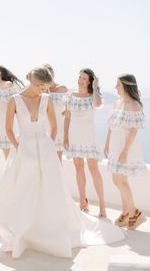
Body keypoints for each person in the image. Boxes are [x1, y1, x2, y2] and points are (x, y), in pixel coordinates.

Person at [0, 66, 124, 259]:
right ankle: (24, 230)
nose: (44, 91)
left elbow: (53, 126)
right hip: (23, 149)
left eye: (46, 87)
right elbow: (8, 129)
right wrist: (18, 146)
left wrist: (48, 144)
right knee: (24, 189)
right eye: (42, 87)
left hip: (45, 150)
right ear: (34, 83)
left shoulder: (47, 99)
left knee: (50, 189)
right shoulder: (15, 100)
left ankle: (48, 227)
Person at [104, 73, 147, 229]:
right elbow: (111, 126)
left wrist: (125, 151)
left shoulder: (135, 105)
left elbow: (133, 131)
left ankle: (134, 212)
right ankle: (129, 211)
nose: (115, 87)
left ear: (126, 86)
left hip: (126, 147)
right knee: (118, 180)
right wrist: (107, 143)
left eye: (118, 85)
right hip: (115, 144)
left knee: (120, 180)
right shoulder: (117, 103)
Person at [63, 68, 106, 217]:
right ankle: (83, 202)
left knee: (94, 168)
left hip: (89, 136)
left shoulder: (92, 97)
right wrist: (65, 137)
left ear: (89, 81)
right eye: (79, 77)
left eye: (83, 78)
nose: (80, 80)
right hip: (74, 135)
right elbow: (67, 117)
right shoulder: (70, 96)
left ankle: (102, 205)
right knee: (78, 167)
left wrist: (95, 88)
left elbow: (98, 103)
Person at [0, 65, 24, 203]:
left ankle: (11, 188)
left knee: (9, 158)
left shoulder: (8, 85)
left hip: (5, 126)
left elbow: (16, 105)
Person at [43, 64, 68, 162]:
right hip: (44, 125)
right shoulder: (41, 90)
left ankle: (58, 177)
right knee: (44, 157)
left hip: (59, 125)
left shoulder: (62, 88)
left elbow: (68, 110)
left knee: (58, 158)